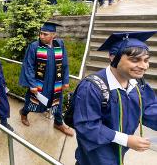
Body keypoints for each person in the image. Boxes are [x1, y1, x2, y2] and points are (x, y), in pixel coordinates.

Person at [73, 31, 157, 165]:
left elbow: (149, 109)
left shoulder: (138, 84)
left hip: (119, 149)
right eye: (135, 60)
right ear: (113, 57)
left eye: (146, 60)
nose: (143, 66)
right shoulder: (92, 87)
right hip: (96, 152)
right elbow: (87, 126)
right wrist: (126, 140)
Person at [19, 22, 74, 136]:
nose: (41, 36)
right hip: (40, 83)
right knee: (32, 101)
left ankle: (58, 123)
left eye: (45, 34)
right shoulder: (34, 46)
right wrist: (32, 84)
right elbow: (28, 66)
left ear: (53, 35)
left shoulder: (60, 44)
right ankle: (24, 113)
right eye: (41, 33)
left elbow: (64, 63)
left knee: (57, 103)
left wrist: (65, 80)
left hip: (55, 82)